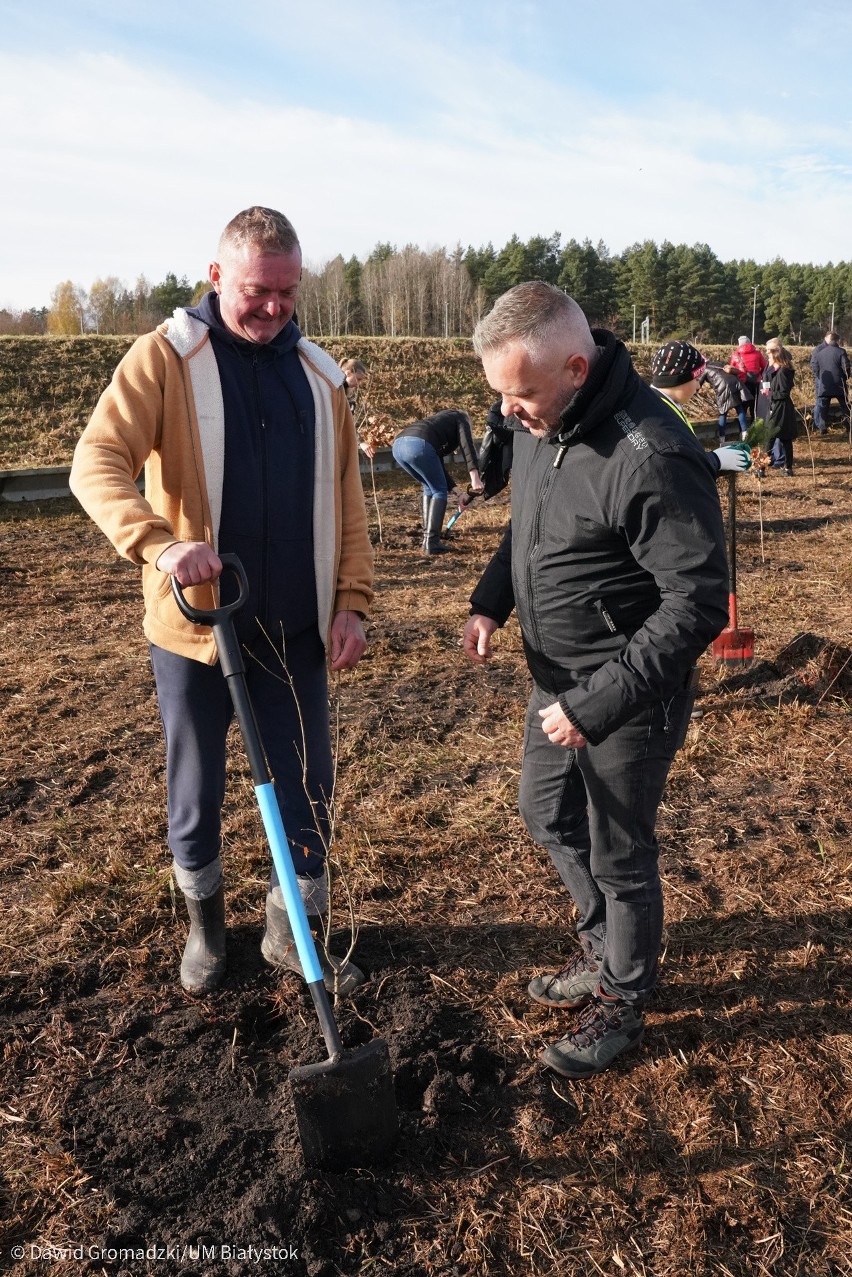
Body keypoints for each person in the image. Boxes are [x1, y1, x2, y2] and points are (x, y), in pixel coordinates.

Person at [70, 206, 374, 998]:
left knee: (308, 781)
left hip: (296, 627)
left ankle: (290, 925)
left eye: (288, 292)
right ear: (216, 276)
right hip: (197, 630)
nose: (274, 308)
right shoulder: (165, 359)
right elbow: (95, 460)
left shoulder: (319, 376)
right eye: (256, 291)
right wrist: (160, 543)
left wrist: (352, 601)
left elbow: (347, 500)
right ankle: (207, 925)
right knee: (195, 784)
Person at [463, 284, 730, 1079]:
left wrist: (599, 702)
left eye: (521, 394)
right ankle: (600, 942)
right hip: (555, 682)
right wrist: (490, 600)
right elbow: (531, 522)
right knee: (544, 811)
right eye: (500, 396)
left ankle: (623, 992)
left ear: (576, 368)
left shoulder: (651, 452)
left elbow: (697, 603)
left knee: (621, 850)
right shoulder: (549, 423)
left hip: (625, 697)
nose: (509, 413)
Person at [649, 342, 752, 475]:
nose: (698, 386)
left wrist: (714, 462)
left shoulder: (662, 405)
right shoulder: (662, 420)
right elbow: (676, 469)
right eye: (696, 379)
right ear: (680, 379)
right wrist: (715, 461)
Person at [391, 410, 484, 555]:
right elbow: (467, 447)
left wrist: (459, 493)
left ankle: (427, 539)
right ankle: (432, 542)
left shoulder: (436, 427)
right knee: (438, 491)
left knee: (430, 487)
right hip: (418, 445)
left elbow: (438, 468)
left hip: (398, 446)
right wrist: (475, 478)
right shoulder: (461, 418)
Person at [758, 339, 798, 476]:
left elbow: (783, 392)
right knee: (783, 439)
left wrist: (769, 393)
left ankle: (761, 469)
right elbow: (767, 379)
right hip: (776, 406)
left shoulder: (784, 371)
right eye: (767, 350)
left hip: (780, 407)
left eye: (771, 350)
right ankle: (788, 468)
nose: (767, 353)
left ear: (778, 352)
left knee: (771, 438)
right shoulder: (772, 367)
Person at [809, 332, 850, 435]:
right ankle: (849, 426)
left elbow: (815, 366)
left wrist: (821, 377)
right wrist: (845, 377)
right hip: (839, 383)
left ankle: (822, 428)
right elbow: (846, 367)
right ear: (837, 341)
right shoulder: (841, 351)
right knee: (845, 406)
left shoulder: (820, 352)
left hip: (824, 385)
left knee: (823, 407)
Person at [699, 361, 751, 442]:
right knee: (739, 408)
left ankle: (722, 438)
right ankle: (744, 433)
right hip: (735, 382)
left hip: (722, 387)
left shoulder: (704, 370)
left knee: (723, 412)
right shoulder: (718, 363)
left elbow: (698, 384)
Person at [339, 357, 376, 457]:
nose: (358, 384)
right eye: (358, 379)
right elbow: (346, 422)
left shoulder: (342, 390)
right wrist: (361, 442)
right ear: (348, 373)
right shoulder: (337, 391)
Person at [730, 335, 767, 420]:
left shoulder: (735, 355)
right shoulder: (758, 354)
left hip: (742, 384)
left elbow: (732, 370)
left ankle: (743, 431)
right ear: (750, 342)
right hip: (756, 383)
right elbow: (765, 367)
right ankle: (755, 429)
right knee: (755, 407)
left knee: (742, 408)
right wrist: (759, 375)